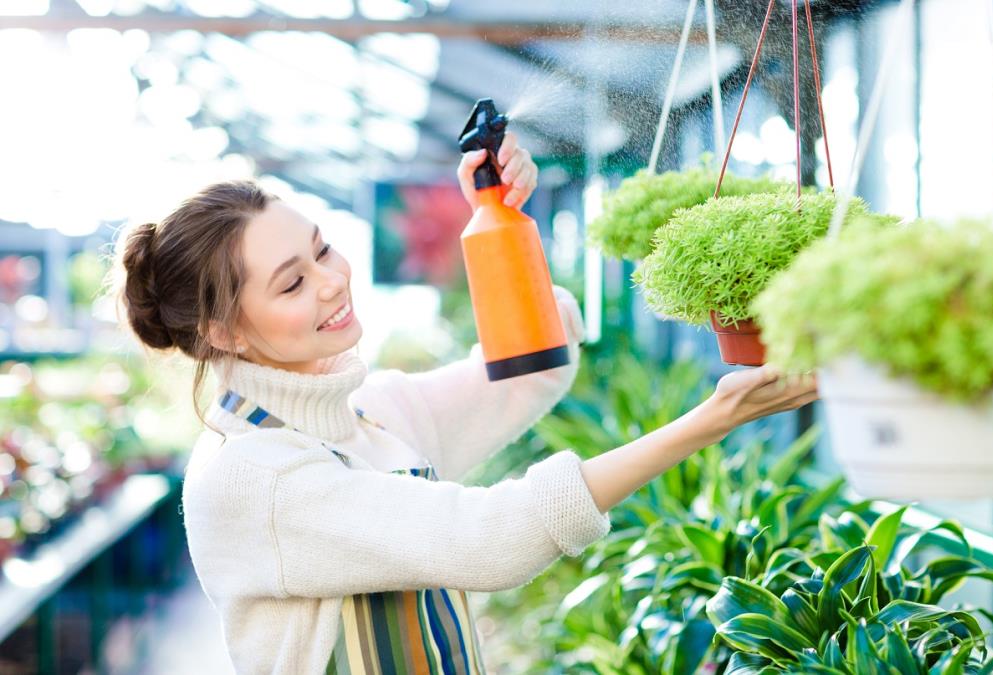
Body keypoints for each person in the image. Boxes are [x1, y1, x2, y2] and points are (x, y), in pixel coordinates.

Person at [114, 133, 817, 674]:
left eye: (323, 250)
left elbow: (529, 371)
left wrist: (500, 218)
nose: (331, 281)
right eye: (292, 283)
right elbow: (488, 538)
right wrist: (712, 421)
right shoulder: (254, 475)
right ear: (223, 331)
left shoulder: (367, 413)